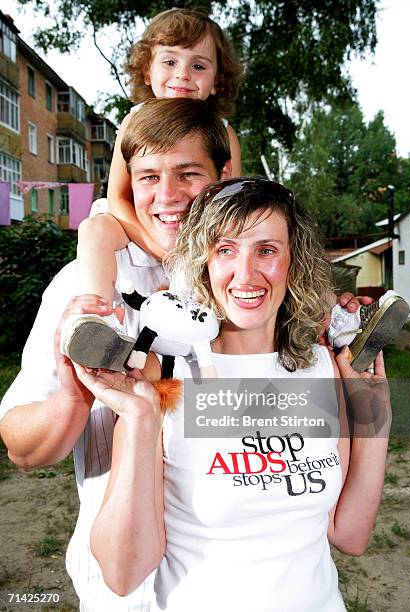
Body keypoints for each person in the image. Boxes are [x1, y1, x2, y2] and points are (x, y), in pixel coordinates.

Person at [73, 177, 392, 611]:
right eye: (226, 250)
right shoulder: (165, 371)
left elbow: (349, 535)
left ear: (292, 261)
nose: (246, 274)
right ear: (203, 262)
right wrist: (140, 418)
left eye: (266, 250)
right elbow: (122, 573)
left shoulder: (319, 366)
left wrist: (376, 418)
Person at [0, 97, 233, 611]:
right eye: (148, 177)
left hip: (239, 581)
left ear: (224, 174)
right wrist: (73, 393)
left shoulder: (250, 286)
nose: (166, 196)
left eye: (188, 173)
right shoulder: (87, 287)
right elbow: (23, 449)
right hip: (124, 594)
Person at [75, 8, 242, 314]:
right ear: (147, 71)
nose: (183, 74)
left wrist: (191, 258)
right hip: (134, 222)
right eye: (169, 61)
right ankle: (94, 318)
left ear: (217, 80)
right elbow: (118, 197)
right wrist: (157, 248)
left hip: (194, 232)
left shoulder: (223, 132)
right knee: (94, 230)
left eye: (199, 65)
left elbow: (230, 206)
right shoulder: (134, 121)